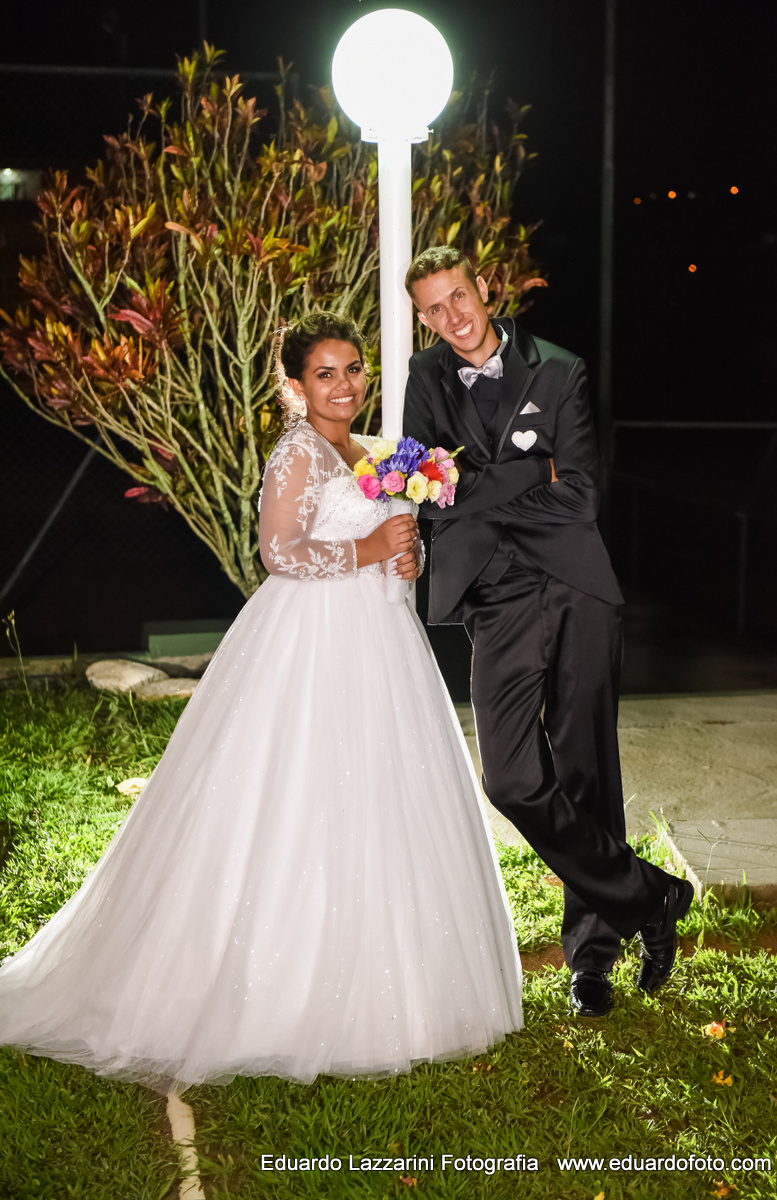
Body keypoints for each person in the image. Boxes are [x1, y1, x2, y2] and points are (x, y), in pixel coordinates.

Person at [0, 313, 523, 1094]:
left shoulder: (373, 451)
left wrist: (401, 556)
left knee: (384, 800)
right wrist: (368, 549)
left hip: (380, 644)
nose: (344, 385)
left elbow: (384, 547)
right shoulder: (297, 455)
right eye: (325, 374)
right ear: (293, 386)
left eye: (352, 369)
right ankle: (278, 990)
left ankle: (405, 988)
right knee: (295, 794)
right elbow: (278, 553)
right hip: (309, 643)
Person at [402, 246, 693, 1018]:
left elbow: (583, 498)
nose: (450, 317)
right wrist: (534, 474)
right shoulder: (423, 378)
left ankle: (592, 956)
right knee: (511, 779)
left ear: (484, 288)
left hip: (576, 587)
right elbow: (424, 495)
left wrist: (479, 488)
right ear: (422, 316)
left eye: (458, 296)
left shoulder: (559, 368)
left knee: (588, 767)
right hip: (493, 598)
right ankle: (649, 896)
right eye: (433, 307)